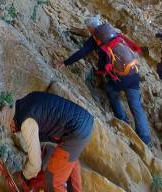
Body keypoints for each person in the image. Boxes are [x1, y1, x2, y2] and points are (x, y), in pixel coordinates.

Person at [57, 16, 151, 146]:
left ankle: (121, 119)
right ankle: (145, 138)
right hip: (134, 72)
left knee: (111, 91)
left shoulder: (95, 38)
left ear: (91, 28)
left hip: (120, 78)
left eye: (88, 29)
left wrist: (65, 62)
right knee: (136, 105)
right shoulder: (112, 31)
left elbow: (82, 53)